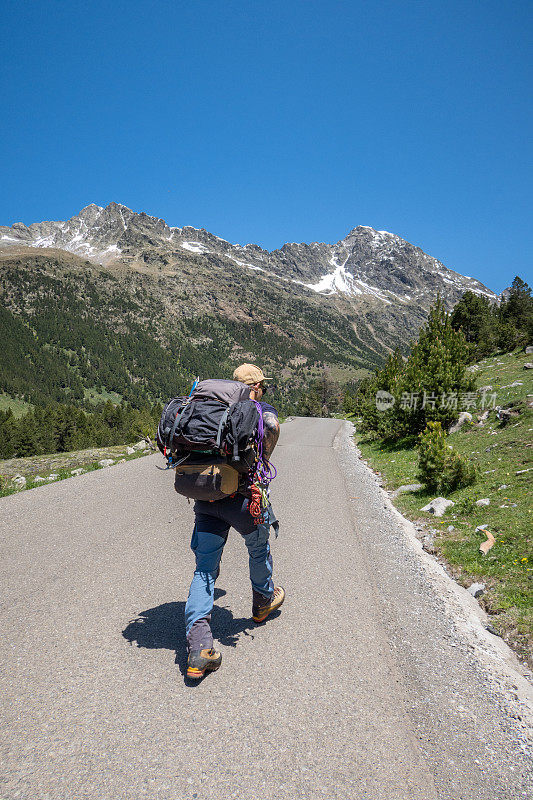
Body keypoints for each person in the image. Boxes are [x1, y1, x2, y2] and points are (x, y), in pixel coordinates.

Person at [184, 364, 284, 679]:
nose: (264, 390)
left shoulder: (210, 409)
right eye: (262, 386)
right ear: (255, 387)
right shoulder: (260, 409)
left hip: (207, 497)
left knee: (204, 571)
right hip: (244, 501)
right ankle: (262, 602)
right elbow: (272, 432)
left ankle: (199, 647)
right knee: (258, 547)